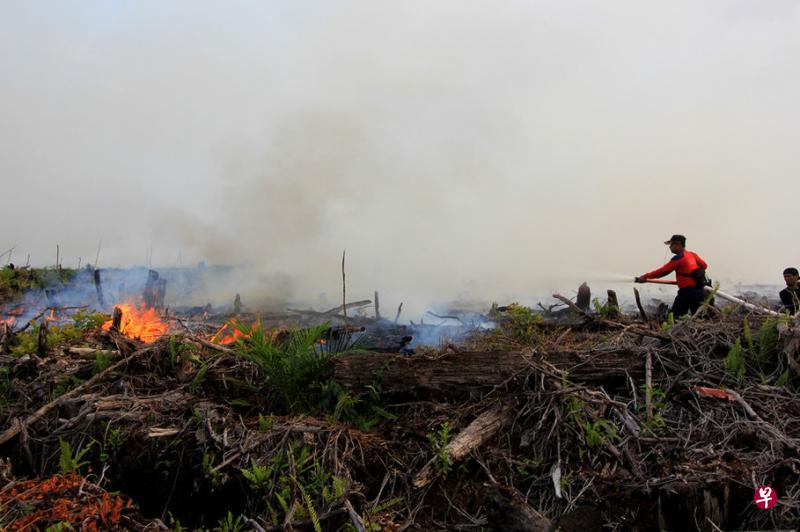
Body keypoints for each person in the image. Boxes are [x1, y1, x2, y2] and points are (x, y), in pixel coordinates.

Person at [635, 234, 709, 317]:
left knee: (676, 316)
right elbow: (704, 265)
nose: (670, 247)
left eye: (671, 244)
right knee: (699, 317)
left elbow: (663, 272)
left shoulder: (679, 258)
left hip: (687, 292)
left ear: (678, 244)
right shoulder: (692, 254)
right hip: (699, 290)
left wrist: (645, 277)